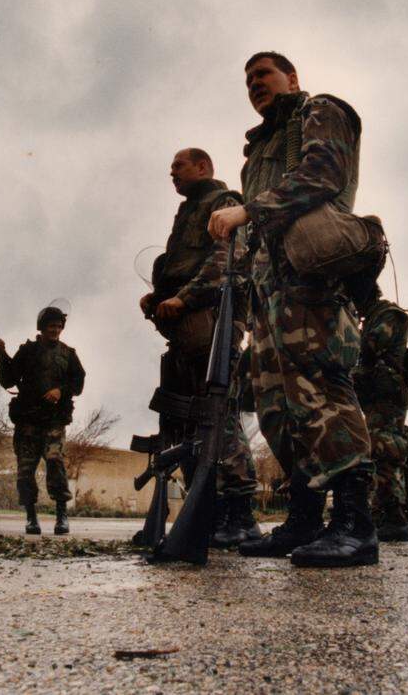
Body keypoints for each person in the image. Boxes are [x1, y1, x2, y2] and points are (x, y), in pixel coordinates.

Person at [209, 51, 376, 567]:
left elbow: (324, 173)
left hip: (310, 280)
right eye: (248, 79)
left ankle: (355, 523)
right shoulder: (258, 150)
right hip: (269, 290)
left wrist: (249, 208)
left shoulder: (319, 111)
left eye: (263, 74)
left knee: (321, 391)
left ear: (292, 77)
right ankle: (305, 518)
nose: (254, 84)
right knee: (278, 407)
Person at [139, 148, 260, 548]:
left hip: (214, 320)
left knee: (217, 414)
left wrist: (185, 298)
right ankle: (203, 510)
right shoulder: (188, 212)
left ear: (203, 167)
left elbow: (227, 259)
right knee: (188, 417)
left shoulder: (223, 203)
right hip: (186, 326)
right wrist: (158, 297)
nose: (171, 172)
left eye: (178, 165)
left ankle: (239, 514)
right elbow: (177, 266)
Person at [0, 306, 85, 535]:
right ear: (42, 328)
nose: (55, 330)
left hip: (54, 420)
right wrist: (1, 355)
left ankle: (62, 516)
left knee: (55, 460)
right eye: (50, 326)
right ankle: (31, 518)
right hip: (28, 420)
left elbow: (78, 383)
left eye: (58, 326)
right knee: (25, 469)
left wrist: (60, 391)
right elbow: (8, 379)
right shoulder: (28, 351)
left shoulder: (68, 354)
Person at [352, 284, 408, 541]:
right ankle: (383, 512)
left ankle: (394, 516)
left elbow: (370, 348)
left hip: (387, 393)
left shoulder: (391, 313)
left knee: (385, 447)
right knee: (376, 449)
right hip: (376, 394)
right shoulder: (373, 316)